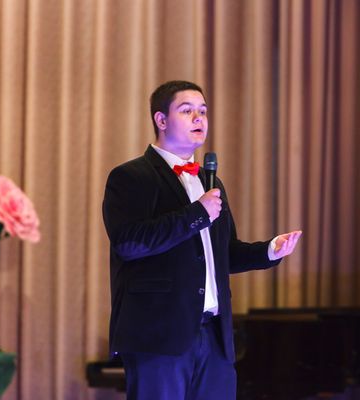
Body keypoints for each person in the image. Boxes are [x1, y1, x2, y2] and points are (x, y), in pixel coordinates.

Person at [102, 80, 301, 400]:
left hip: (214, 335)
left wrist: (268, 250)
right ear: (161, 120)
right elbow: (129, 243)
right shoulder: (131, 176)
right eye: (187, 111)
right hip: (160, 337)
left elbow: (224, 254)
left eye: (203, 111)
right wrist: (197, 213)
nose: (199, 118)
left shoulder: (210, 182)